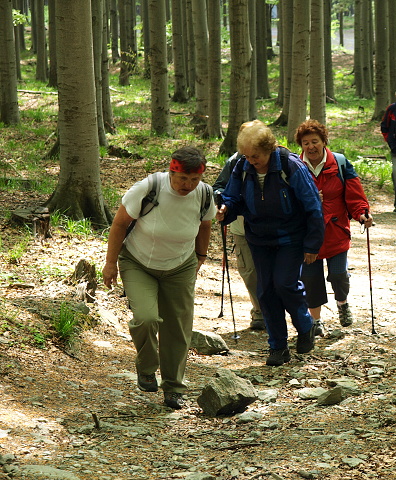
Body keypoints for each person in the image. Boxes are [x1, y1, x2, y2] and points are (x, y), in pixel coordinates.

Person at [102, 147, 215, 409]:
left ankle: (174, 387)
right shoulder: (149, 187)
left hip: (180, 265)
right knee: (146, 317)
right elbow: (119, 223)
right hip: (138, 262)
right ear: (171, 171)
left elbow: (205, 225)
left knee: (178, 327)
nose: (187, 185)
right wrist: (110, 264)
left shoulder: (205, 194)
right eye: (182, 179)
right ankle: (146, 366)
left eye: (193, 180)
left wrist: (200, 256)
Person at [215, 122, 324, 367]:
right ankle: (278, 347)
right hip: (259, 238)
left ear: (269, 149)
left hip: (290, 238)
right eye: (247, 156)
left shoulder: (291, 166)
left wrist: (312, 245)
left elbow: (313, 207)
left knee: (285, 283)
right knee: (265, 291)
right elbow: (233, 196)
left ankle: (305, 325)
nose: (251, 160)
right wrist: (225, 208)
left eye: (256, 156)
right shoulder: (242, 167)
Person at [294, 119, 374, 335]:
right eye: (305, 143)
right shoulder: (295, 166)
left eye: (315, 141)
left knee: (339, 275)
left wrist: (361, 213)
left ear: (323, 142)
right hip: (307, 235)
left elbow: (355, 196)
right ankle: (316, 321)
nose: (310, 146)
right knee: (310, 279)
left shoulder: (339, 163)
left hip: (336, 230)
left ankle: (342, 303)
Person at [213, 120, 265, 331]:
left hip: (270, 227)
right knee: (249, 272)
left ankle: (271, 310)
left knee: (270, 272)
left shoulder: (275, 160)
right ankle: (260, 311)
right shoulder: (233, 162)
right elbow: (218, 187)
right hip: (241, 228)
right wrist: (223, 201)